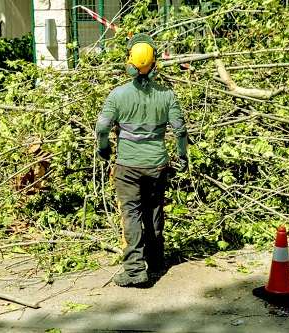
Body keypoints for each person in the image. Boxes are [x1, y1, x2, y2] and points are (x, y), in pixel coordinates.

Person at [95, 33, 188, 287]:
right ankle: (156, 260)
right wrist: (182, 157)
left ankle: (135, 270)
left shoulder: (118, 95)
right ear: (154, 63)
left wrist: (103, 149)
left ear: (130, 64)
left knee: (132, 213)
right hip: (157, 164)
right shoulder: (167, 95)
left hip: (128, 166)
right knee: (154, 209)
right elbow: (180, 130)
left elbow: (102, 127)